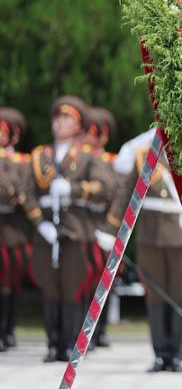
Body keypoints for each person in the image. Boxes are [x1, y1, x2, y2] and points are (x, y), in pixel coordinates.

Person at [22, 96, 115, 362]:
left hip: (76, 231)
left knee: (73, 287)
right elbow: (27, 192)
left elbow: (106, 187)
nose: (60, 123)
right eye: (58, 118)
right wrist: (40, 223)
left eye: (68, 119)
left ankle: (71, 344)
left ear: (79, 126)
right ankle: (53, 345)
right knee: (49, 287)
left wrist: (74, 189)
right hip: (47, 232)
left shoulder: (86, 157)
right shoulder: (41, 155)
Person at [99, 128, 182, 372]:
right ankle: (160, 353)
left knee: (178, 294)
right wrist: (111, 230)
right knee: (155, 295)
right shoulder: (143, 157)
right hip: (151, 236)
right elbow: (125, 197)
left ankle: (177, 353)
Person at [83, 106, 118, 349]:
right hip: (83, 222)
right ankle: (85, 331)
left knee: (106, 280)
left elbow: (118, 196)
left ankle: (101, 329)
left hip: (105, 223)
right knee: (84, 278)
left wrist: (110, 227)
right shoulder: (79, 158)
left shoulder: (113, 161)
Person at [0, 107, 31, 351]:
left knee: (12, 282)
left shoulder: (22, 161)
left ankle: (8, 330)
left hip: (12, 226)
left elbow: (21, 191)